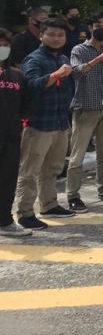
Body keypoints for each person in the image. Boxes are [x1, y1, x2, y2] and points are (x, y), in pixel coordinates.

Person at [15, 18, 76, 230]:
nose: (56, 38)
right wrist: (55, 75)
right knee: (30, 171)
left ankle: (49, 205)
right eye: (51, 34)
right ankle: (24, 213)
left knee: (52, 168)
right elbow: (31, 86)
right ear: (41, 35)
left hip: (60, 121)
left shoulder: (64, 58)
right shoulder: (34, 59)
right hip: (39, 123)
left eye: (60, 35)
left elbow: (69, 88)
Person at [67, 11, 103, 212]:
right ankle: (73, 195)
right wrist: (98, 59)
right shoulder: (79, 49)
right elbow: (76, 72)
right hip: (85, 107)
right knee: (77, 155)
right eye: (99, 25)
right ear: (91, 27)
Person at [0, 29, 30, 236]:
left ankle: (4, 221)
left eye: (5, 45)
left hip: (10, 137)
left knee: (8, 180)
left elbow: (25, 107)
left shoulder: (17, 76)